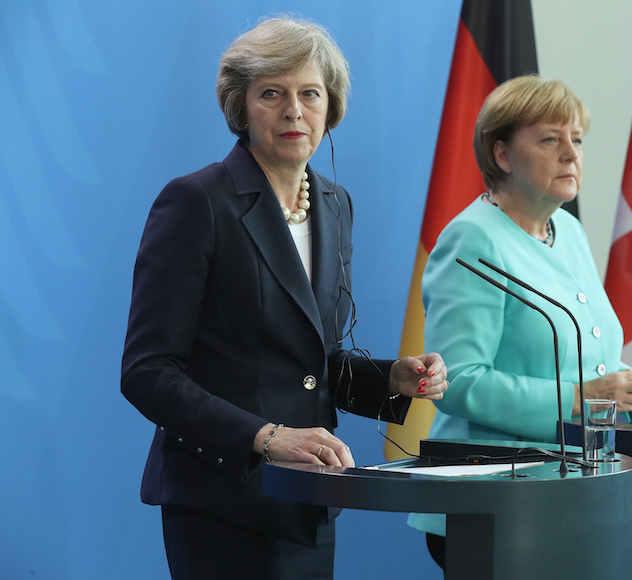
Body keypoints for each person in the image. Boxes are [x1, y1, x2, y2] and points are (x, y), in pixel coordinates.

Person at [121, 15, 448, 580]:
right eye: (272, 93)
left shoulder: (335, 202)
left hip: (309, 497)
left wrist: (392, 379)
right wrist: (265, 438)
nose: (294, 110)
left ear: (331, 107)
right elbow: (148, 372)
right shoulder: (196, 202)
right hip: (222, 499)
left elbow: (310, 362)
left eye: (309, 94)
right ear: (241, 107)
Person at [406, 74, 632, 569]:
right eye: (550, 139)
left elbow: (580, 349)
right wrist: (583, 397)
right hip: (495, 499)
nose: (571, 154)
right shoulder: (472, 239)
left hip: (577, 491)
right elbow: (457, 380)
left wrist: (626, 384)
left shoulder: (566, 229)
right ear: (502, 155)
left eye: (577, 139)